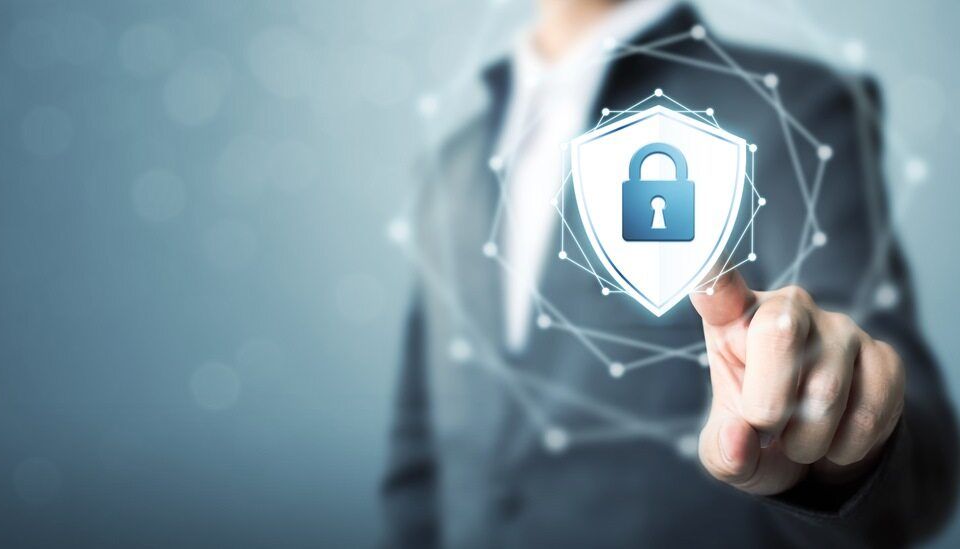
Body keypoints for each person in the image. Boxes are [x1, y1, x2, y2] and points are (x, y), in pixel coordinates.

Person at [382, 0, 959, 547]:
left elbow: (914, 458)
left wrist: (837, 449)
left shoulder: (794, 108)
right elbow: (419, 451)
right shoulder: (449, 168)